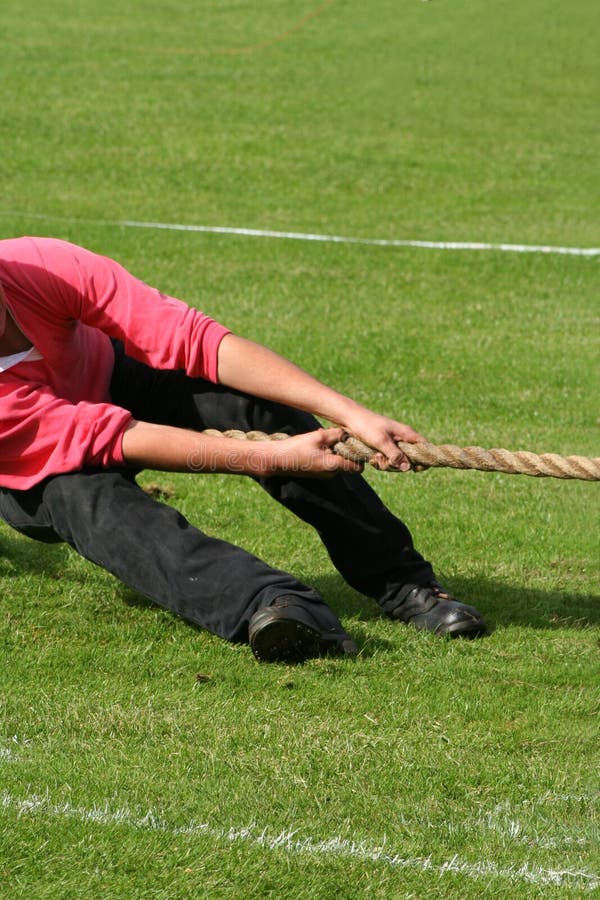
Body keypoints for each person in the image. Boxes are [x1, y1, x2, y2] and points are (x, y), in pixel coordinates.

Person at [0, 236, 486, 662]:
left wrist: (348, 413)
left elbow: (194, 340)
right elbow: (113, 438)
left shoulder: (37, 265)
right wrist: (270, 457)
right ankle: (270, 604)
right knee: (89, 505)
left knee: (252, 403)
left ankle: (401, 582)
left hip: (108, 375)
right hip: (27, 467)